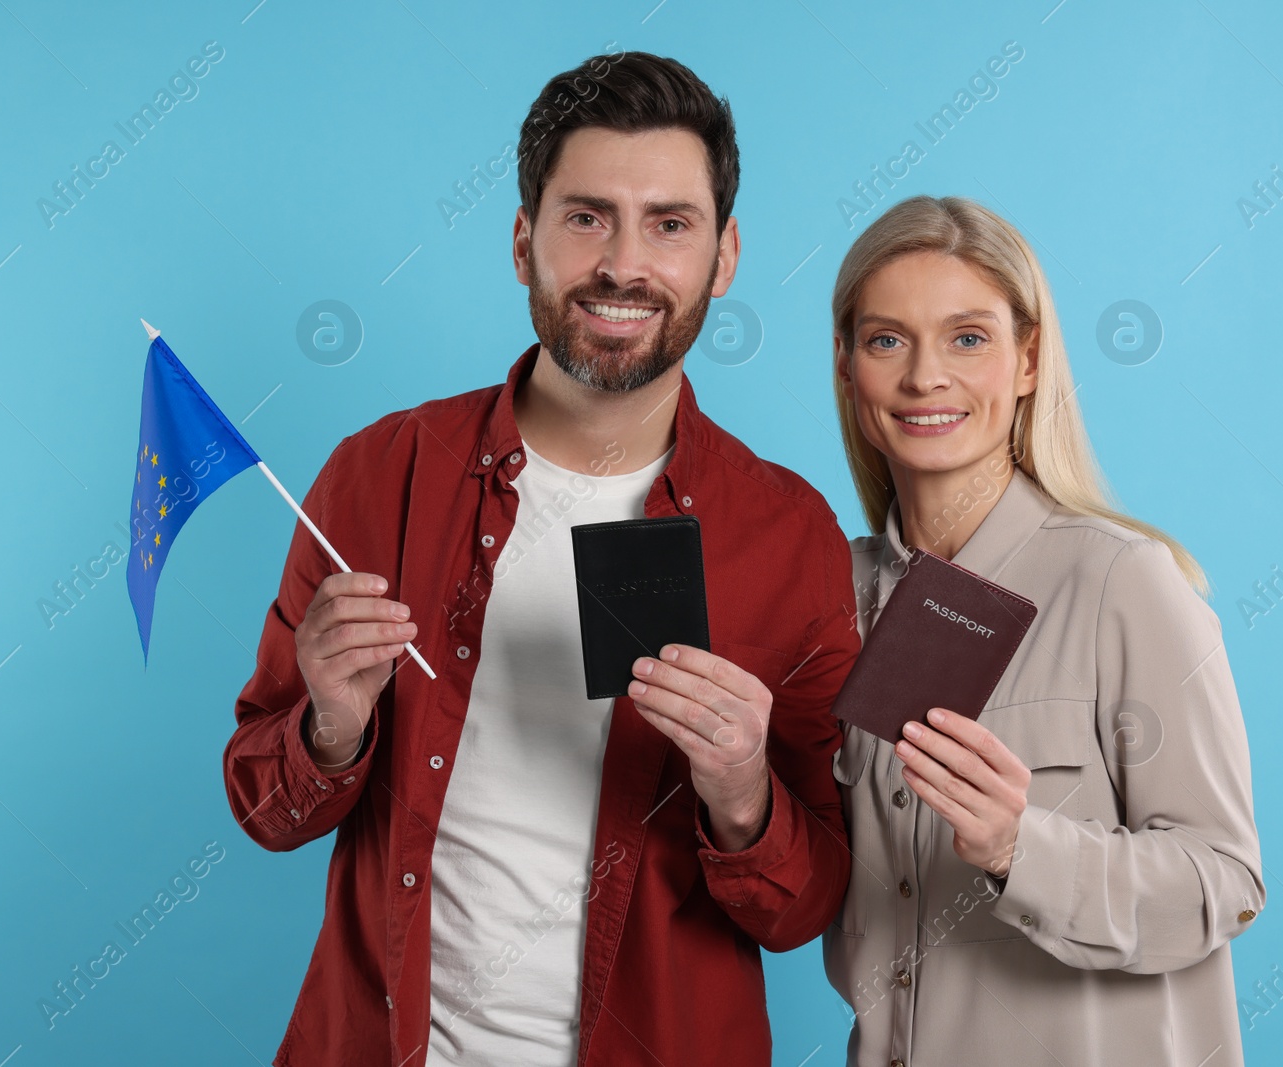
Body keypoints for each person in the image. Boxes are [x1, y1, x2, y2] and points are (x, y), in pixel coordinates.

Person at [223, 52, 861, 1067]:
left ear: (724, 256)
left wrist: (741, 789)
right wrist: (331, 726)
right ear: (524, 242)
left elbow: (805, 906)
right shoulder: (378, 473)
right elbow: (263, 805)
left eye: (668, 222)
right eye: (585, 216)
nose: (622, 263)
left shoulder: (792, 536)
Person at [820, 194, 1265, 1066]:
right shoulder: (836, 599)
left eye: (968, 337)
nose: (924, 378)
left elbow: (1226, 882)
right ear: (846, 367)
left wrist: (1022, 847)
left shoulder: (1124, 582)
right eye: (886, 340)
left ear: (1028, 358)